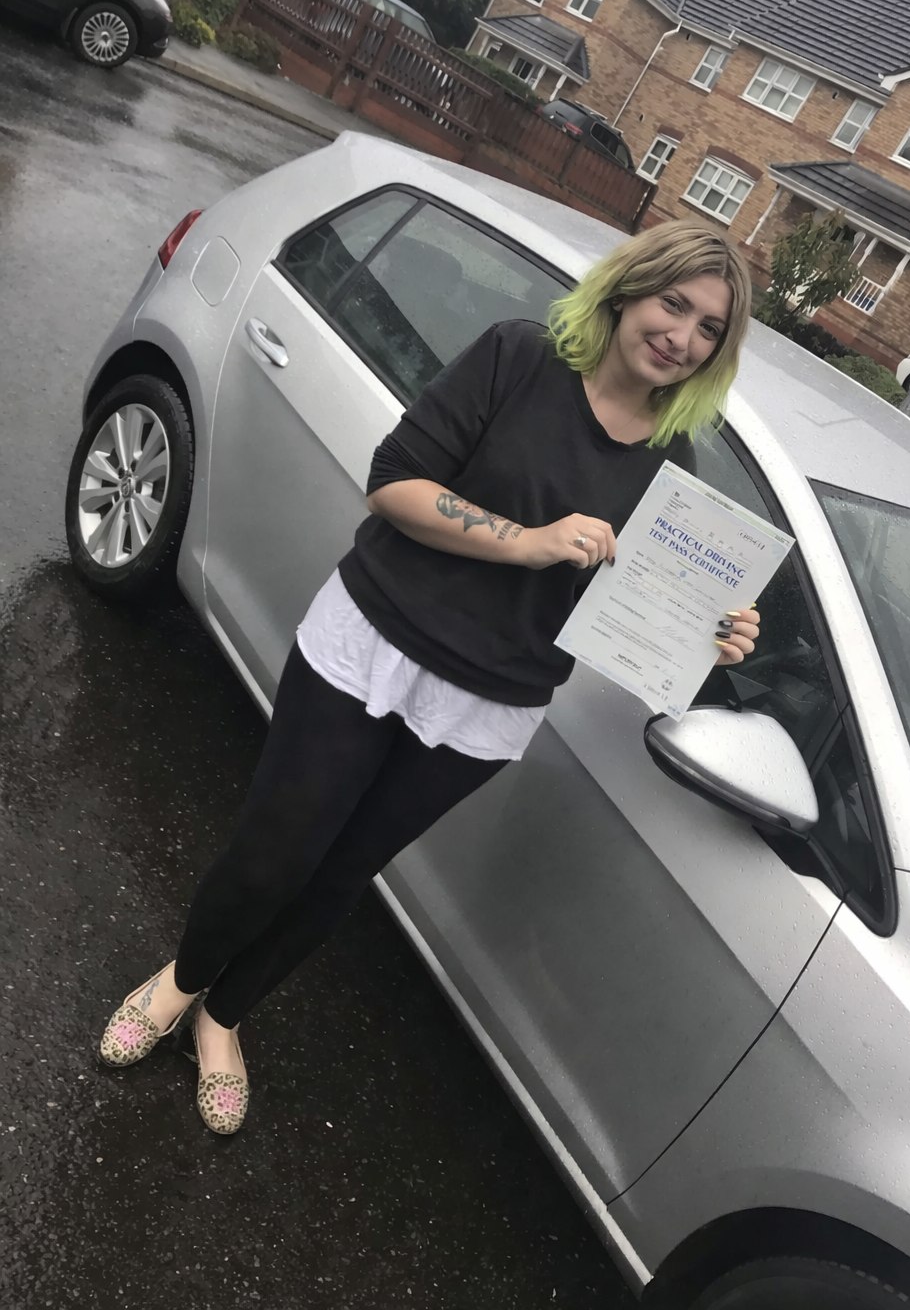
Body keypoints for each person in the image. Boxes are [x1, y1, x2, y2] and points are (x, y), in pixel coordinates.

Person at [98, 221, 761, 1134]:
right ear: (626, 293)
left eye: (709, 328)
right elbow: (394, 483)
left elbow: (627, 624)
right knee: (276, 849)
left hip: (487, 705)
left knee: (338, 878)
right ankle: (179, 980)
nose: (681, 335)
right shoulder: (519, 360)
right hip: (374, 636)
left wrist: (710, 635)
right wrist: (526, 542)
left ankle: (223, 1018)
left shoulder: (670, 473)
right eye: (672, 302)